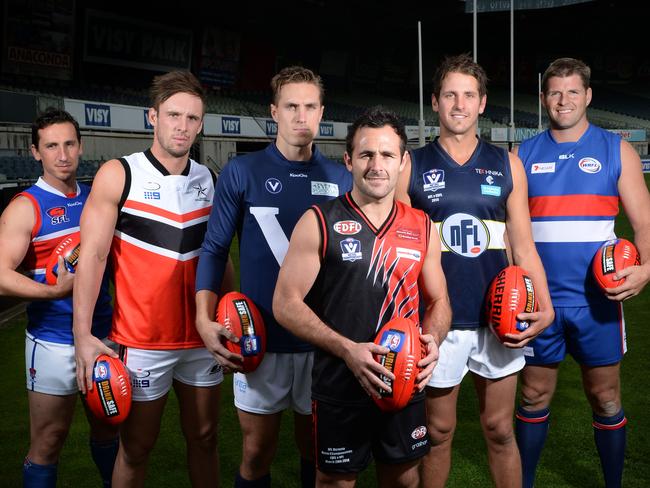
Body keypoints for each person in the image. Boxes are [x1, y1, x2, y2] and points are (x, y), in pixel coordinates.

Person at [395, 54, 554, 488]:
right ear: (435, 102)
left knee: (500, 429)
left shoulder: (508, 164)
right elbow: (400, 250)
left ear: (482, 103)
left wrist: (546, 303)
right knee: (439, 432)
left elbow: (523, 245)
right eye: (450, 94)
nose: (459, 104)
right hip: (438, 321)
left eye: (468, 95)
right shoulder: (412, 165)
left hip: (499, 317)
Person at [272, 107, 451, 488]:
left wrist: (433, 340)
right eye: (367, 154)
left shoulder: (422, 226)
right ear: (349, 160)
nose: (377, 165)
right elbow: (285, 303)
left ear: (403, 162)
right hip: (339, 381)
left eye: (387, 155)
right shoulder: (319, 221)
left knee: (403, 479)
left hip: (403, 379)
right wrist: (346, 349)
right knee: (335, 482)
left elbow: (439, 302)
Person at [195, 65, 352, 488]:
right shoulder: (242, 172)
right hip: (258, 338)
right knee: (257, 452)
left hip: (320, 341)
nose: (301, 117)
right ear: (273, 112)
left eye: (310, 107)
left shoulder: (341, 179)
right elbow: (213, 249)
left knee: (315, 450)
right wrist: (202, 317)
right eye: (291, 107)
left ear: (322, 112)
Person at [73, 71, 222, 487]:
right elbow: (94, 258)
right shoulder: (119, 174)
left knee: (207, 438)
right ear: (152, 116)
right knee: (136, 448)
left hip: (200, 337)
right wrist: (83, 334)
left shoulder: (209, 180)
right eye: (174, 115)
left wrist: (224, 314)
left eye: (193, 118)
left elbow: (218, 256)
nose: (183, 126)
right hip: (141, 341)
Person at [515, 57, 650, 488]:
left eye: (573, 91)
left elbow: (645, 224)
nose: (564, 100)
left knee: (606, 398)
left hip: (598, 301)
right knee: (534, 395)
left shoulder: (617, 149)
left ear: (588, 96)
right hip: (540, 301)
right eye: (555, 92)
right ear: (543, 99)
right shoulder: (523, 154)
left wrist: (647, 270)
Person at [0, 109, 117, 487]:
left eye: (69, 144)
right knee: (49, 441)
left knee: (110, 430)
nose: (62, 154)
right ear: (36, 152)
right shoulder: (25, 207)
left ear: (81, 147)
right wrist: (53, 290)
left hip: (103, 336)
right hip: (53, 342)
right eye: (51, 145)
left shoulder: (98, 199)